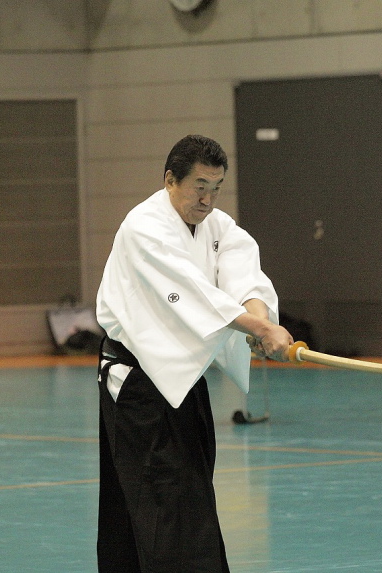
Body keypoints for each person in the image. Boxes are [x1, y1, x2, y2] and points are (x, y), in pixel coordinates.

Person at [95, 135, 293, 572]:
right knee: (162, 502)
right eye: (199, 186)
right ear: (171, 180)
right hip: (138, 387)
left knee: (191, 494)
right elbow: (190, 290)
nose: (208, 199)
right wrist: (260, 328)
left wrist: (261, 320)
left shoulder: (217, 226)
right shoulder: (143, 227)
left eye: (216, 188)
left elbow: (243, 274)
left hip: (185, 380)